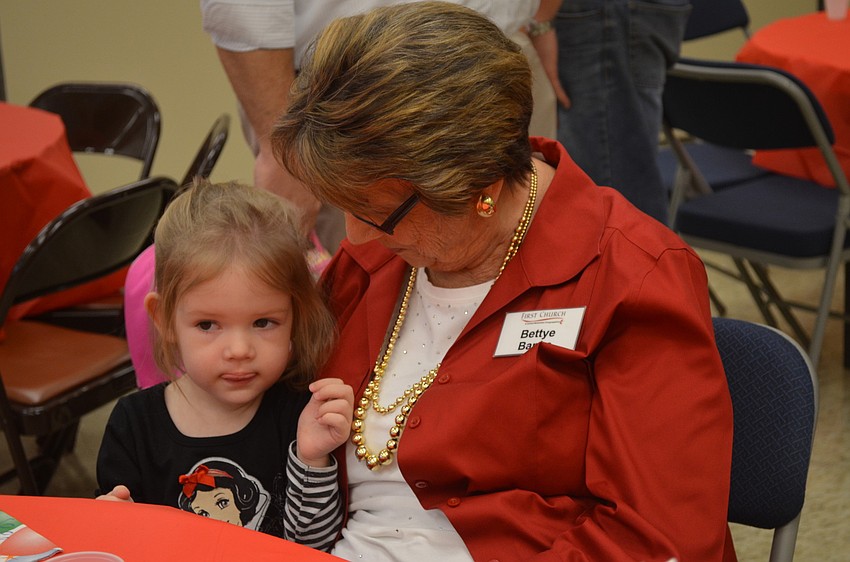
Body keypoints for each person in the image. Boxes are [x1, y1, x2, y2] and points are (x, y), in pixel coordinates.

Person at [270, 2, 736, 560]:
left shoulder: (629, 277)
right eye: (341, 207)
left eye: (377, 214)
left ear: (481, 186)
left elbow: (659, 540)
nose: (356, 237)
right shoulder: (379, 261)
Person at [96, 180, 353, 551]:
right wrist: (110, 522)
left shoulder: (299, 415)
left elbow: (313, 548)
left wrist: (312, 460)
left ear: (294, 318)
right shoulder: (133, 424)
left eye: (263, 322)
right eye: (207, 325)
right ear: (165, 318)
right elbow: (115, 542)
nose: (238, 350)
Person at [198, 0, 555, 253]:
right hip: (359, 95)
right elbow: (243, 10)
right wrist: (281, 149)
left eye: (376, 217)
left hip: (503, 56)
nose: (356, 235)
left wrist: (540, 18)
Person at [541, 0, 691, 224]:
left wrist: (541, 20)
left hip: (601, 18)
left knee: (613, 209)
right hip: (610, 16)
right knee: (616, 192)